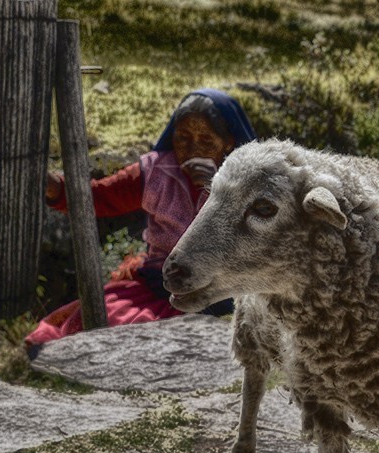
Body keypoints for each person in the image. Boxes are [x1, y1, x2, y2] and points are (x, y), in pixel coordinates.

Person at [25, 88, 256, 351]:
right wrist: (57, 188)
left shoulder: (245, 180)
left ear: (228, 142)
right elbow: (101, 196)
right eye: (182, 138)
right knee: (112, 319)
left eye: (205, 140)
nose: (192, 149)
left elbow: (259, 235)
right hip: (158, 282)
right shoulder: (156, 171)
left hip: (222, 288)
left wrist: (214, 187)